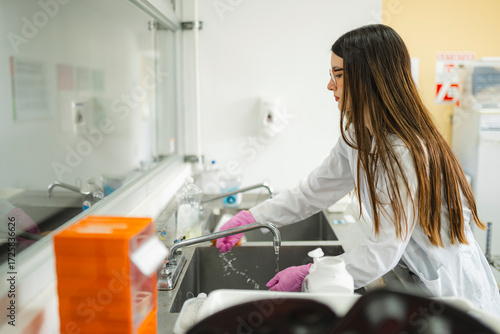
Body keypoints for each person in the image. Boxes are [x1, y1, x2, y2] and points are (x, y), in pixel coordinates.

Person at [215, 24, 500, 316]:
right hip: (415, 277)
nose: (330, 85)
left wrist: (311, 273)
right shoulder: (358, 136)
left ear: (371, 77)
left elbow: (382, 251)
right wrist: (252, 218)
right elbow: (314, 191)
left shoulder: (405, 151)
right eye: (331, 75)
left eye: (338, 75)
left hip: (448, 291)